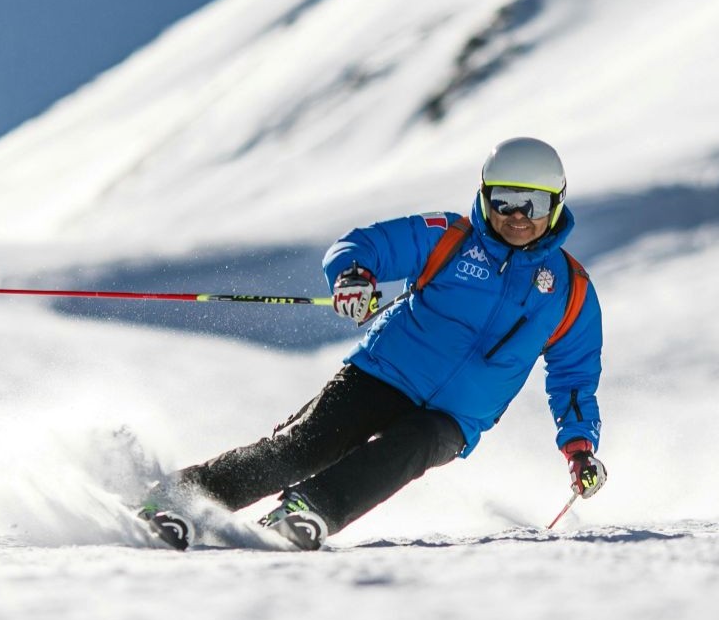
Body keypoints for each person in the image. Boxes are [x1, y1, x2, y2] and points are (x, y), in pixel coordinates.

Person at [141, 137, 605, 550]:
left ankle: (308, 511)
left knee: (412, 447)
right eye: (505, 201)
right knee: (304, 448)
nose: (518, 217)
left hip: (454, 417)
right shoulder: (449, 237)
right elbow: (365, 245)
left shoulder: (571, 290)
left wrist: (580, 449)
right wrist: (353, 277)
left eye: (533, 204)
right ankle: (176, 500)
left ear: (556, 205)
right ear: (485, 196)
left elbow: (573, 377)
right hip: (383, 373)